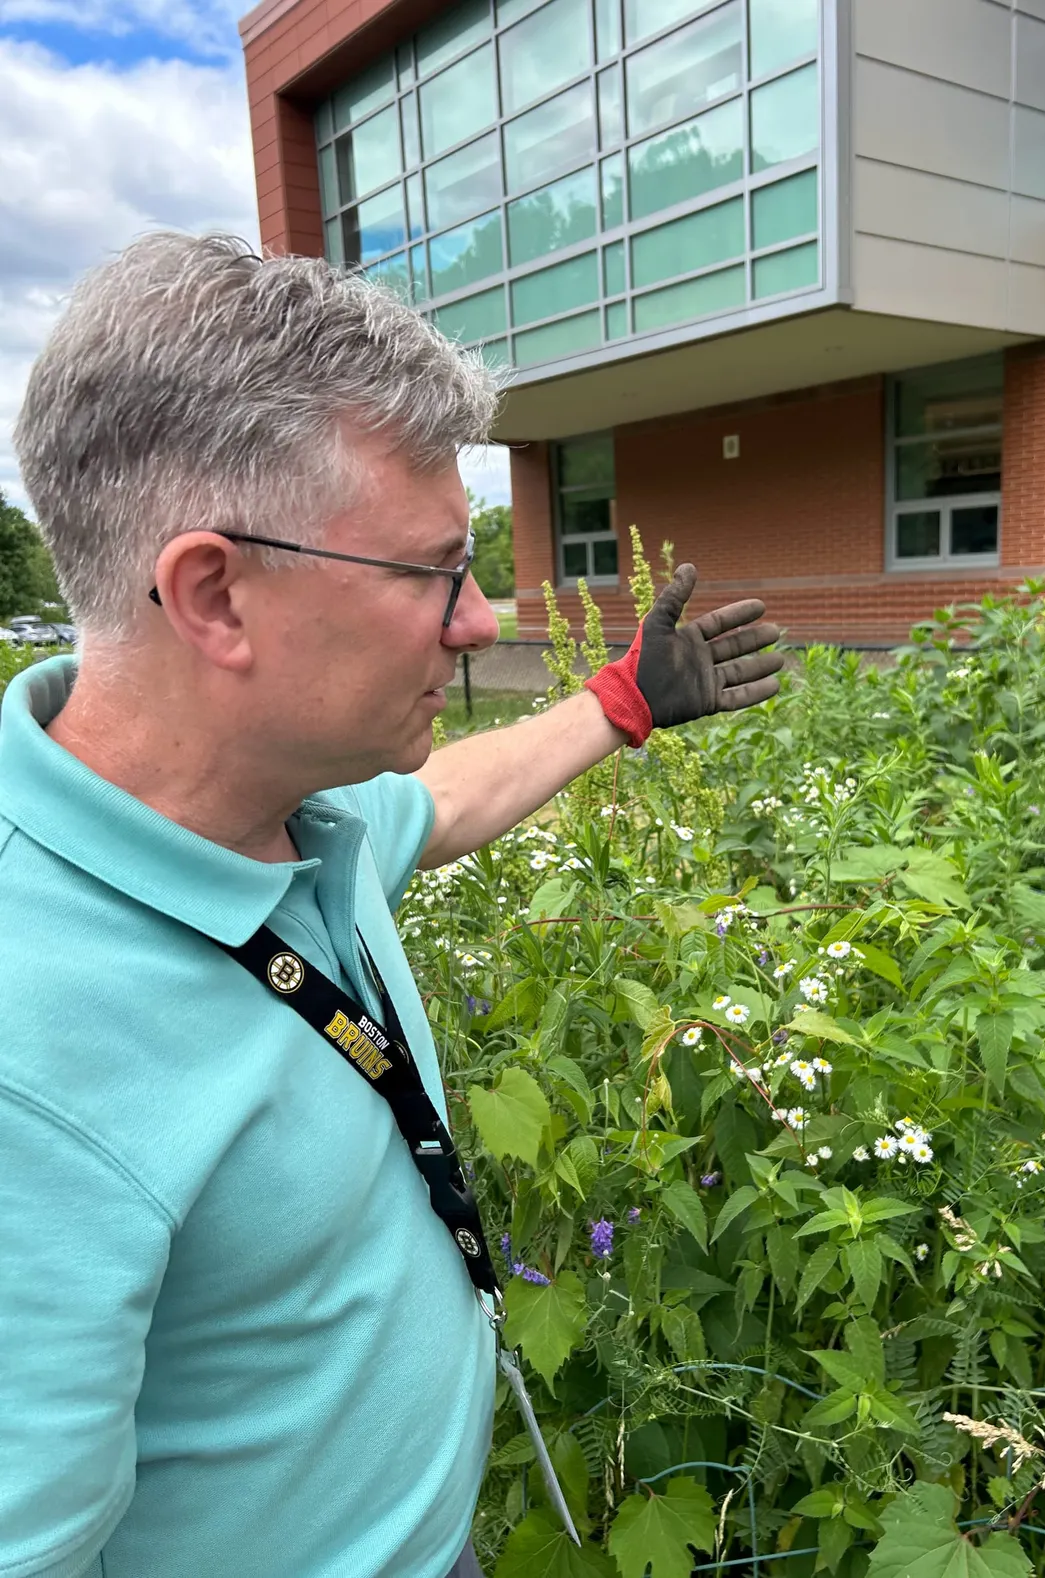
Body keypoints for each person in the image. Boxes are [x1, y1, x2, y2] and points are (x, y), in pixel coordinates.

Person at [0, 233, 782, 1578]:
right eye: (435, 571)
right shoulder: (30, 1050)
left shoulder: (299, 806)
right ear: (216, 595)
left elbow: (450, 800)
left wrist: (623, 700)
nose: (477, 623)